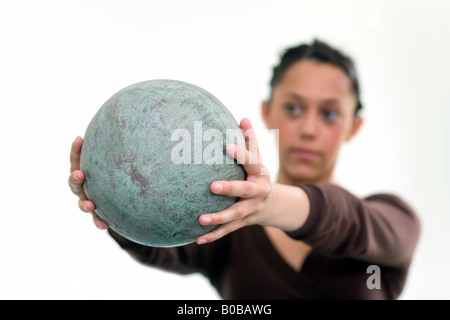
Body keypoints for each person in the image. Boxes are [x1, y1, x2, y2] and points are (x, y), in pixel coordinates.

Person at [68, 39, 421, 299]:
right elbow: (159, 243)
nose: (309, 129)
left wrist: (268, 205)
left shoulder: (391, 220)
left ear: (354, 126)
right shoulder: (226, 225)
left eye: (329, 113)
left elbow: (349, 221)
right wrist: (113, 195)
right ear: (267, 112)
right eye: (294, 108)